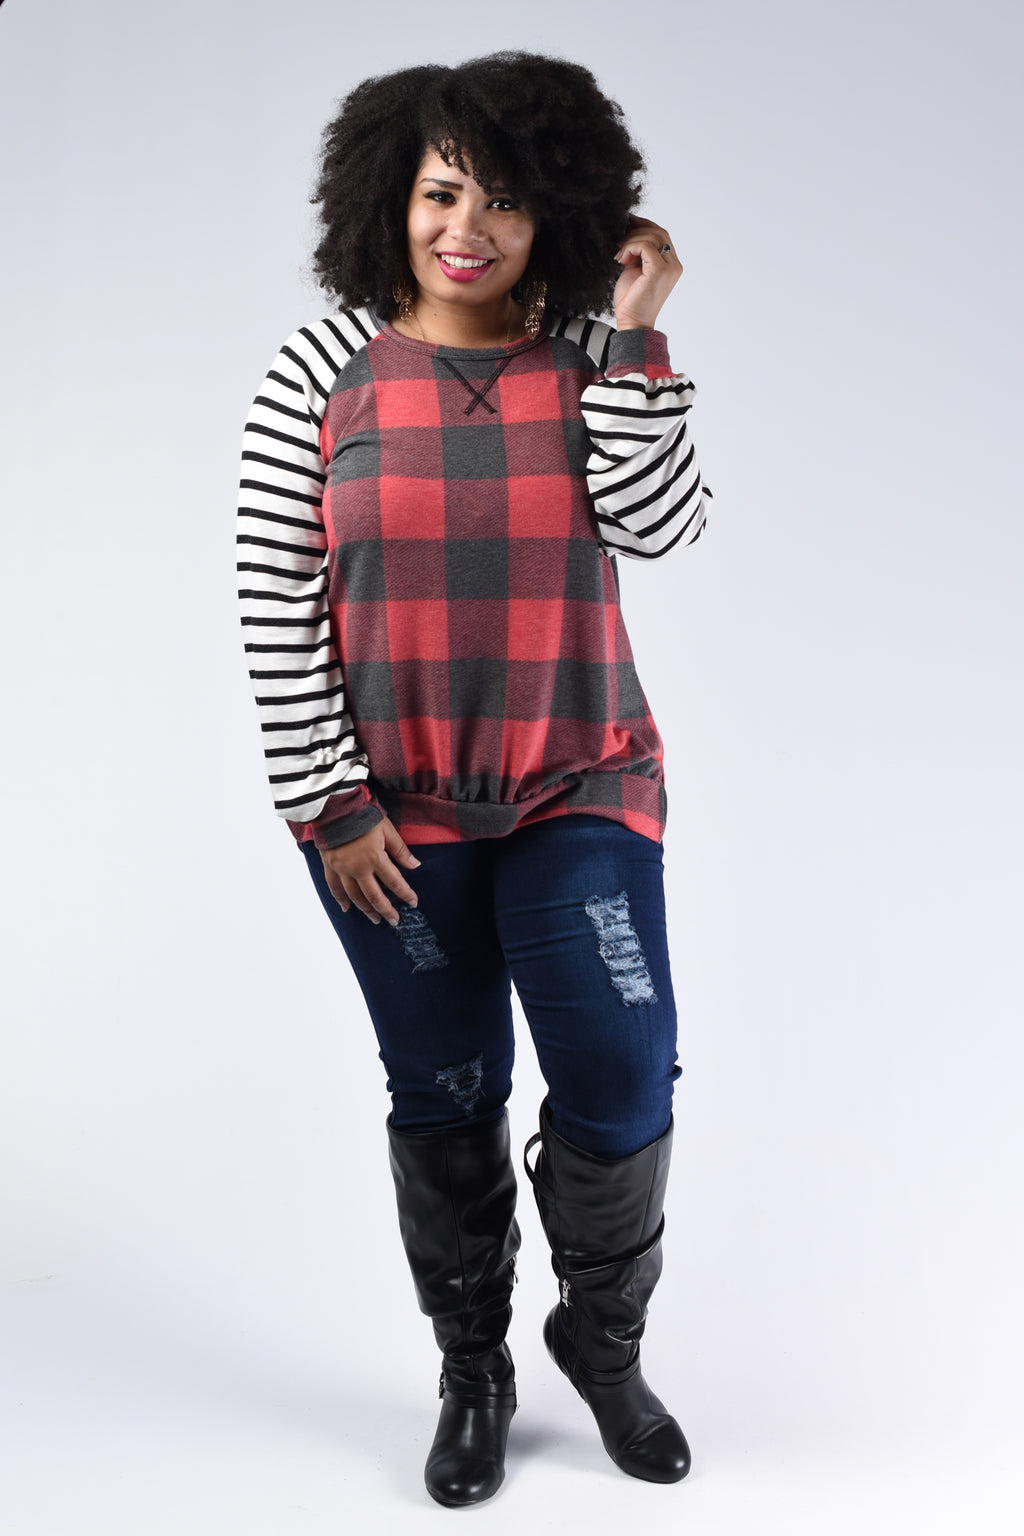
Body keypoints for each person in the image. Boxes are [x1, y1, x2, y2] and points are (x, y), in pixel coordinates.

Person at [237, 51, 711, 1508]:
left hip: (580, 783)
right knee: (446, 1090)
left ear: (555, 210)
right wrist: (330, 806)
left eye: (506, 200)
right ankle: (474, 1368)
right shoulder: (319, 373)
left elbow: (662, 526)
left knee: (621, 1070)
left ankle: (603, 1343)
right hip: (391, 817)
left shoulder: (588, 353)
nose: (470, 228)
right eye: (444, 192)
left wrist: (638, 337)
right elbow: (275, 603)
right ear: (393, 196)